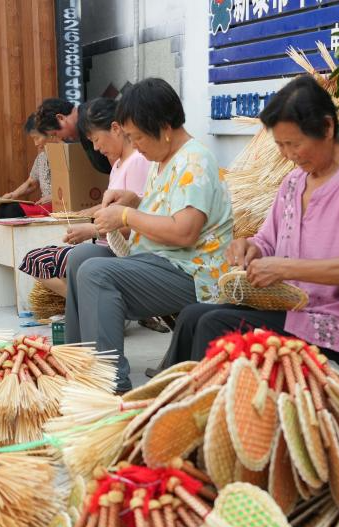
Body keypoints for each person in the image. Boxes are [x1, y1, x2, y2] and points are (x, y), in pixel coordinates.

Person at [160, 75, 339, 374]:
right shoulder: (294, 183)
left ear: (327, 128)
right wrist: (249, 248)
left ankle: (207, 413)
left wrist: (284, 268)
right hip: (290, 313)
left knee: (214, 324)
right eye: (281, 145)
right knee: (192, 316)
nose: (289, 155)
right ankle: (173, 403)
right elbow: (267, 240)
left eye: (294, 144)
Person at [65, 78, 234, 392]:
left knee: (97, 272)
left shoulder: (194, 161)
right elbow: (168, 211)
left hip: (192, 274)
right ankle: (79, 368)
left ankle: (110, 385)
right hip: (160, 261)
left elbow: (184, 231)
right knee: (80, 257)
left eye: (138, 137)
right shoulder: (164, 160)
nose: (136, 146)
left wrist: (127, 215)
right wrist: (135, 201)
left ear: (164, 127)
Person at [18, 97, 151, 297]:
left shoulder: (137, 162)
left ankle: (102, 303)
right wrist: (83, 216)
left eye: (95, 140)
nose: (95, 148)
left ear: (116, 128)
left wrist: (92, 230)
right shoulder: (117, 165)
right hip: (108, 246)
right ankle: (94, 302)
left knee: (46, 260)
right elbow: (112, 210)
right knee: (36, 259)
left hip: (124, 253)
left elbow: (137, 224)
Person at [0, 114, 53, 218]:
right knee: (2, 207)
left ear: (50, 132)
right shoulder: (42, 157)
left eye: (37, 138)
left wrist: (54, 197)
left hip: (59, 205)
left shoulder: (65, 153)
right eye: (33, 139)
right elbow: (31, 183)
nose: (35, 143)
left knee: (11, 211)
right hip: (44, 204)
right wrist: (13, 195)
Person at [35, 97, 112, 174]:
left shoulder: (91, 117)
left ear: (60, 118)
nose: (59, 138)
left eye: (55, 134)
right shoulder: (82, 126)